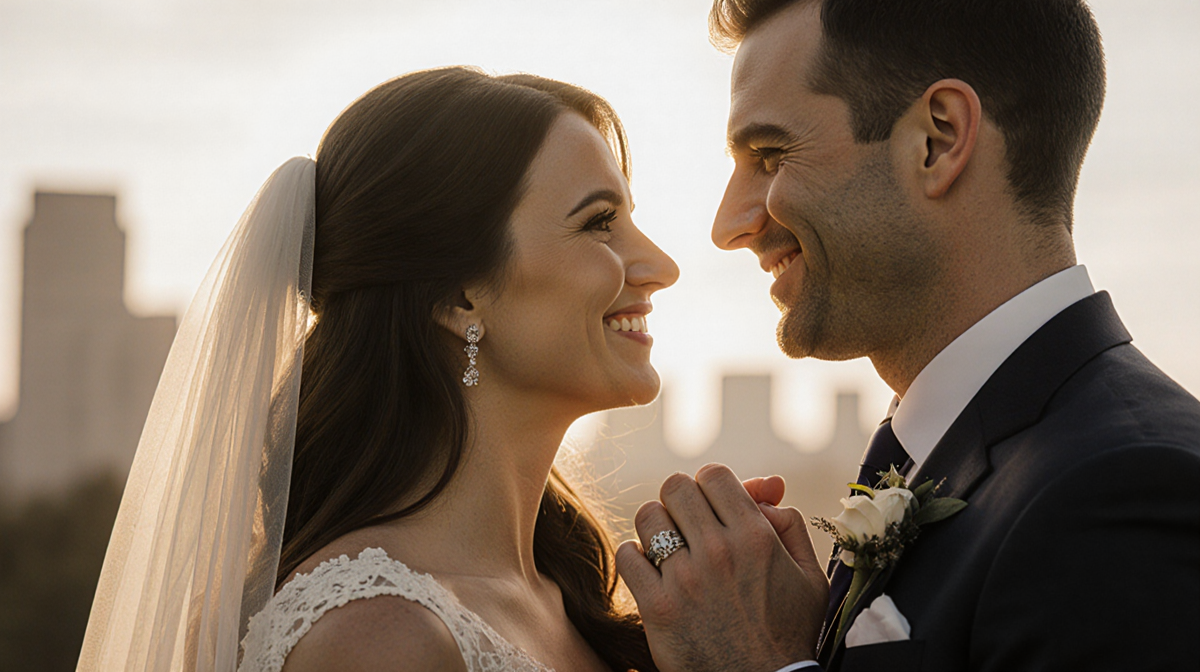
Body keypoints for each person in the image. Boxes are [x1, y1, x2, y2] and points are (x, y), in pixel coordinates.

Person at [615, 1, 1200, 670]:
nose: (730, 224)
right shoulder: (972, 458)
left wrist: (766, 664)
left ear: (939, 139)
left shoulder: (1122, 496)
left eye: (771, 155)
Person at [78, 67, 679, 672]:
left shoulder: (566, 592)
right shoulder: (374, 637)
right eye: (600, 222)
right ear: (459, 295)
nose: (661, 264)